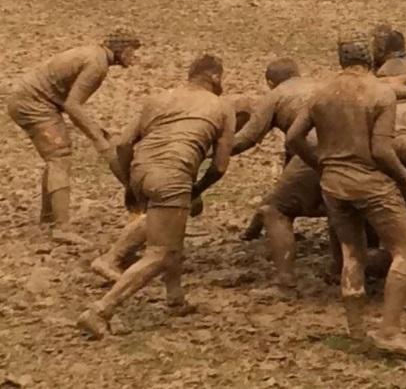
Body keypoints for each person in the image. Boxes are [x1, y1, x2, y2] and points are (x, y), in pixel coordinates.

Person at [286, 33, 406, 360]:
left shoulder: (320, 93)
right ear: (369, 61)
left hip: (333, 184)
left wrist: (320, 163)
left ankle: (355, 329)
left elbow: (294, 137)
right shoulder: (380, 93)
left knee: (352, 252)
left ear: (341, 61)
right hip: (370, 183)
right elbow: (381, 150)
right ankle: (390, 330)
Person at [77, 55, 236, 340]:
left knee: (170, 235)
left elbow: (124, 144)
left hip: (141, 170)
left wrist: (129, 182)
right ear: (214, 77)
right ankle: (100, 310)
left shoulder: (158, 99)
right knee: (160, 253)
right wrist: (196, 189)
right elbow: (220, 166)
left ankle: (175, 298)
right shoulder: (222, 107)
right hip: (172, 175)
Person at [6, 30, 141, 244]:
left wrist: (97, 131)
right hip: (33, 104)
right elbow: (73, 105)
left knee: (55, 158)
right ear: (121, 50)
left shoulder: (94, 56)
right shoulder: (97, 65)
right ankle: (62, 228)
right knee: (59, 157)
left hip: (32, 100)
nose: (134, 57)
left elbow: (70, 103)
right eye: (132, 51)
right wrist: (98, 138)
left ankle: (49, 218)